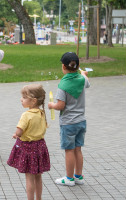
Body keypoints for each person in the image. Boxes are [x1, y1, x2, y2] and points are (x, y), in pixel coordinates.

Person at [48, 52, 90, 186]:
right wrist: (83, 74)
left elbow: (60, 106)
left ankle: (69, 178)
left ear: (63, 66)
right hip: (81, 122)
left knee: (69, 150)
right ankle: (78, 176)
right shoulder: (82, 79)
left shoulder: (63, 85)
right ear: (77, 67)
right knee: (78, 149)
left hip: (68, 124)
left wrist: (51, 105)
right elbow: (85, 80)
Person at [7, 84, 50, 200]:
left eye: (24, 97)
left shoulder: (26, 115)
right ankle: (38, 198)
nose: (21, 99)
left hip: (28, 148)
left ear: (33, 101)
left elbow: (19, 131)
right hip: (40, 146)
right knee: (38, 176)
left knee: (29, 177)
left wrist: (16, 134)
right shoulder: (42, 113)